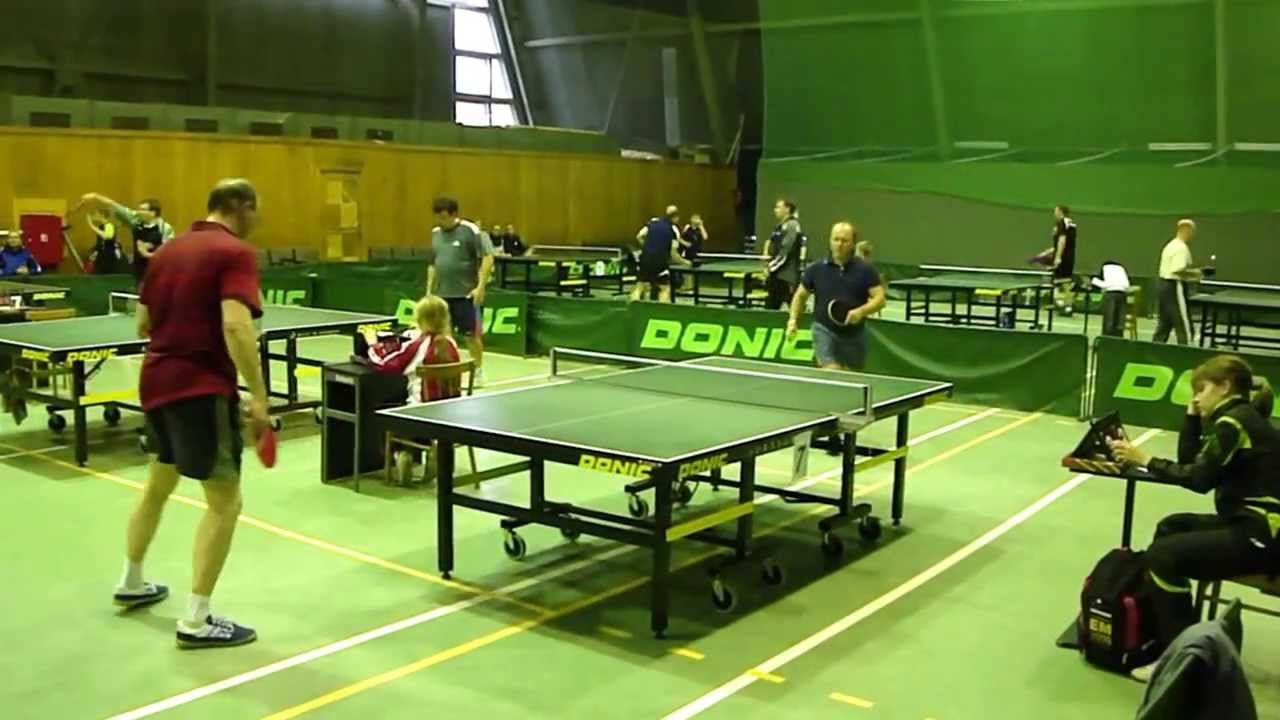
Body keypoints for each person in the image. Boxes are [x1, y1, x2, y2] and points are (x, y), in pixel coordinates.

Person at [111, 178, 269, 650]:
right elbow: (236, 327)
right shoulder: (234, 252)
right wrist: (259, 396)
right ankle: (197, 620)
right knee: (225, 502)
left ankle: (132, 580)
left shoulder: (167, 251)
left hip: (156, 381)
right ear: (241, 206)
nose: (258, 219)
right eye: (256, 210)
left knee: (158, 485)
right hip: (199, 389)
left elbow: (143, 323)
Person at [1109, 355, 1280, 683]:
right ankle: (1169, 634)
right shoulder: (1241, 418)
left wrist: (1146, 459)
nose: (1196, 398)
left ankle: (1186, 660)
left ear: (1224, 386)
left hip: (1262, 535)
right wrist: (1191, 416)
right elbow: (1191, 460)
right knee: (1171, 526)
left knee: (1164, 555)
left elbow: (1199, 479)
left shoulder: (1235, 423)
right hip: (1248, 524)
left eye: (1201, 390)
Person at [364, 296, 462, 485]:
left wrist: (373, 344)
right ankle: (434, 450)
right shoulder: (451, 343)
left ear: (420, 319)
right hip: (451, 413)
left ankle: (402, 453)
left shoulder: (418, 345)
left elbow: (386, 365)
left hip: (422, 413)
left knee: (382, 413)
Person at [786, 222, 885, 371]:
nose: (839, 244)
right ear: (830, 241)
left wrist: (861, 312)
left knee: (852, 377)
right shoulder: (816, 269)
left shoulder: (865, 270)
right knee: (831, 371)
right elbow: (800, 296)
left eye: (844, 241)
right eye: (836, 239)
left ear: (853, 243)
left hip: (854, 334)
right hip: (824, 330)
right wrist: (793, 320)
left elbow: (880, 299)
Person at [425, 197, 492, 387]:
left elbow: (487, 258)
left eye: (444, 217)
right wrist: (429, 291)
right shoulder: (435, 233)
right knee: (444, 337)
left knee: (471, 336)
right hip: (442, 295)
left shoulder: (470, 230)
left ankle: (478, 371)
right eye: (438, 217)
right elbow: (433, 264)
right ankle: (449, 373)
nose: (440, 221)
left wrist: (480, 287)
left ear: (454, 214)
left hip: (466, 294)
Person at [75, 194, 175, 286]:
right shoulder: (136, 221)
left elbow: (168, 253)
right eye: (139, 209)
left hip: (158, 271)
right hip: (139, 269)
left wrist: (147, 254)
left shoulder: (165, 228)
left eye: (143, 209)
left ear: (153, 213)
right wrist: (95, 197)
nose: (138, 211)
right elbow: (114, 205)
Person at [1153, 219, 1203, 345]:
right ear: (1187, 230)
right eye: (1192, 232)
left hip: (1163, 286)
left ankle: (1154, 348)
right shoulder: (1181, 248)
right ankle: (1187, 349)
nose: (1193, 235)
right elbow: (1177, 269)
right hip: (1174, 288)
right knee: (1183, 323)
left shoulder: (1170, 245)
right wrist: (1196, 273)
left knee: (1164, 323)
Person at [631, 205, 691, 303]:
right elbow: (673, 253)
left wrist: (647, 248)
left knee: (640, 286)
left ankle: (632, 308)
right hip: (660, 262)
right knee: (664, 288)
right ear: (675, 218)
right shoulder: (673, 229)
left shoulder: (653, 222)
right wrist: (685, 262)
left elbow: (639, 236)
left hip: (645, 259)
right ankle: (660, 309)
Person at [1033, 205, 1078, 316]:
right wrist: (1044, 254)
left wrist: (1058, 257)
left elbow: (1062, 241)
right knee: (1061, 283)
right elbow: (1059, 245)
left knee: (1061, 283)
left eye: (1056, 211)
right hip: (1069, 257)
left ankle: (1064, 305)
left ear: (1061, 212)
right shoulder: (1071, 224)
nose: (1054, 213)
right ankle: (1064, 305)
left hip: (1063, 258)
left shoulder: (1061, 223)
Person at [763, 199, 805, 311]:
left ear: (787, 209)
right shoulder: (780, 226)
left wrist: (770, 267)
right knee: (773, 306)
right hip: (778, 274)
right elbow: (771, 243)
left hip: (786, 276)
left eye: (778, 207)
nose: (775, 210)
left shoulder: (792, 225)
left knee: (792, 307)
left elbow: (785, 251)